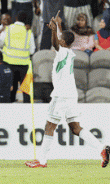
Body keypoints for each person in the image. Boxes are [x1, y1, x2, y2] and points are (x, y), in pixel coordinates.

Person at [25, 13, 110, 168]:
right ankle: (101, 149)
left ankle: (42, 161)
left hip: (61, 95)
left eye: (59, 38)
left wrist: (54, 30)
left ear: (62, 41)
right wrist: (58, 26)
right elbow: (61, 39)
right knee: (75, 127)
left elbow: (57, 43)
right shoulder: (69, 51)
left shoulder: (62, 51)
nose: (58, 39)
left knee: (50, 125)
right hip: (71, 94)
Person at [0, 11, 36, 103]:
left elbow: (0, 43)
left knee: (11, 88)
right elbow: (32, 50)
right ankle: (27, 112)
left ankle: (10, 109)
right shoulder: (28, 32)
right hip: (24, 65)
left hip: (9, 63)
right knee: (26, 90)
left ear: (16, 18)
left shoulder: (8, 29)